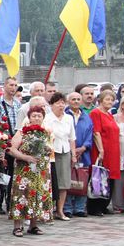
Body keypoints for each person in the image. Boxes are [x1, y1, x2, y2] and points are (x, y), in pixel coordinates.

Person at [9, 103, 53, 236]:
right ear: (29, 117)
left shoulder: (46, 133)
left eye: (39, 116)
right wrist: (26, 157)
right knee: (22, 195)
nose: (37, 118)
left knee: (38, 195)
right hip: (25, 171)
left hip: (41, 170)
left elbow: (50, 149)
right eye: (34, 115)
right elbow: (11, 149)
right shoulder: (22, 131)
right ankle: (18, 226)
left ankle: (33, 225)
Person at [0, 76, 21, 214]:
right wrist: (0, 139)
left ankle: (10, 201)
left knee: (14, 173)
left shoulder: (18, 103)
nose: (13, 88)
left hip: (15, 141)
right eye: (11, 85)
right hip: (2, 141)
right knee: (1, 171)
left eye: (15, 85)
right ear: (5, 86)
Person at [45, 92, 77, 221]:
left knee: (63, 183)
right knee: (51, 182)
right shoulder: (47, 118)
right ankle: (49, 210)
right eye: (58, 103)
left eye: (63, 103)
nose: (61, 105)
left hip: (65, 151)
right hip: (51, 153)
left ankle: (60, 210)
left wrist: (73, 155)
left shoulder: (69, 118)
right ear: (52, 105)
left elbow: (72, 138)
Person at [88, 90, 121, 216]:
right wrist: (101, 150)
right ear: (100, 100)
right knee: (99, 177)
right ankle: (94, 206)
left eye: (112, 100)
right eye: (107, 99)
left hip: (113, 151)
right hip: (102, 149)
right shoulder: (96, 113)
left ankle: (104, 205)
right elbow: (96, 132)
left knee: (110, 177)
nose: (110, 102)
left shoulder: (109, 114)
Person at [63, 92, 93, 218]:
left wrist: (84, 147)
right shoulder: (65, 115)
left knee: (82, 178)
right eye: (73, 99)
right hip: (68, 152)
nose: (76, 101)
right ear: (68, 101)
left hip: (83, 153)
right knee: (68, 179)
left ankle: (80, 207)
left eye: (78, 99)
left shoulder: (86, 116)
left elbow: (90, 133)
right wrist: (72, 150)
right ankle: (67, 207)